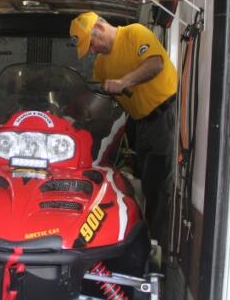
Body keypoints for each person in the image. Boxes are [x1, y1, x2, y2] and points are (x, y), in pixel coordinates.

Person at [70, 12, 177, 241]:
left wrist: (124, 82)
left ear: (99, 28)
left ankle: (155, 247)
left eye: (91, 44)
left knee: (157, 186)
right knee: (139, 181)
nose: (92, 51)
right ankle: (136, 236)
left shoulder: (135, 33)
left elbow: (156, 63)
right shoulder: (101, 65)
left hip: (163, 116)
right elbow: (99, 99)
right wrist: (79, 118)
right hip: (139, 123)